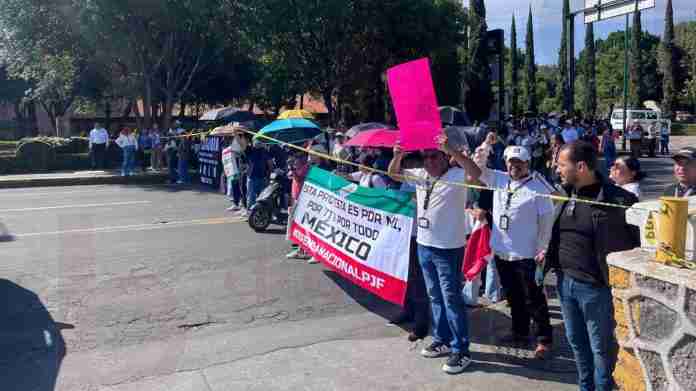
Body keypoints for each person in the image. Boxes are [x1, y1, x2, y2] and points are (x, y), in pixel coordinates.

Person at [546, 141, 640, 391]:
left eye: (561, 165)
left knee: (602, 351)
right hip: (565, 284)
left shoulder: (620, 200)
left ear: (581, 166)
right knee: (577, 343)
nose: (557, 169)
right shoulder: (566, 192)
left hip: (597, 290)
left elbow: (636, 246)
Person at [388, 133, 482, 375]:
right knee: (435, 296)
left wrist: (451, 150)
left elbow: (476, 174)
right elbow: (393, 174)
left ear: (444, 157)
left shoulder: (457, 175)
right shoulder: (420, 174)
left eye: (434, 156)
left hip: (448, 248)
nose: (429, 161)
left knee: (452, 299)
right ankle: (441, 338)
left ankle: (461, 349)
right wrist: (398, 155)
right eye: (426, 157)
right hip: (424, 244)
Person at [476, 145, 555, 359]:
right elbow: (477, 169)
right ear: (505, 162)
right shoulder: (499, 179)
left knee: (534, 298)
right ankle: (519, 331)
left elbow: (547, 221)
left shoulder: (538, 187)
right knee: (513, 295)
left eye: (519, 162)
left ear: (528, 164)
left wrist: (543, 248)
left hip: (527, 253)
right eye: (511, 161)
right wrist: (484, 147)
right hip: (502, 251)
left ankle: (543, 339)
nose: (515, 166)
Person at [239, 135, 273, 214]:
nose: (257, 143)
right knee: (251, 197)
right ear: (253, 142)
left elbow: (270, 162)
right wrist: (237, 134)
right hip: (252, 177)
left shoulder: (264, 151)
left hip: (263, 177)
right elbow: (242, 144)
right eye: (256, 141)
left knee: (264, 197)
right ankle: (250, 212)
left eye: (259, 141)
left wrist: (270, 173)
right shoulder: (249, 150)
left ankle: (264, 213)